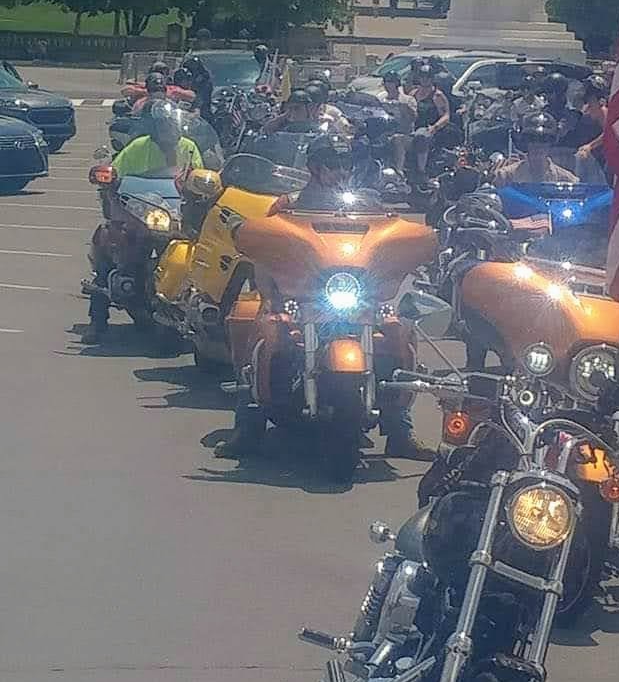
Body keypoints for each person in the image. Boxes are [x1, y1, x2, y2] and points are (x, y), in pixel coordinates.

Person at [220, 135, 430, 461]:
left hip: (358, 294)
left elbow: (388, 241)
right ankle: (246, 428)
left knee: (399, 331)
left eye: (346, 163)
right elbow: (265, 250)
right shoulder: (288, 206)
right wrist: (270, 295)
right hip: (299, 295)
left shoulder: (369, 207)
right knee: (263, 330)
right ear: (315, 167)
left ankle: (400, 431)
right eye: (333, 164)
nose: (341, 171)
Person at [110, 100, 206, 181]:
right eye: (164, 128)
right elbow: (115, 171)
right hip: (141, 196)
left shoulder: (189, 146)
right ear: (154, 130)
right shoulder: (138, 146)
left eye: (173, 125)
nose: (170, 131)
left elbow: (198, 178)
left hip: (179, 196)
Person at [494, 111, 577, 187]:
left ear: (552, 142)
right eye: (532, 138)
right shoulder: (506, 176)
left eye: (544, 139)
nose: (538, 145)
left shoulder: (567, 180)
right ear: (525, 141)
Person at [406, 60, 453, 187]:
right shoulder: (413, 94)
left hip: (428, 129)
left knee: (421, 136)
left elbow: (446, 116)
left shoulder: (437, 96)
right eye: (422, 77)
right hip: (411, 127)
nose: (424, 79)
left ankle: (421, 171)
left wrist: (435, 127)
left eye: (427, 77)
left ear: (432, 79)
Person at [557, 77, 607, 152]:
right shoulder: (584, 108)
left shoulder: (601, 110)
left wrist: (590, 146)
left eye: (586, 88)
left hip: (597, 153)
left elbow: (607, 133)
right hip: (577, 149)